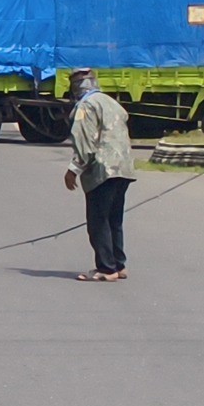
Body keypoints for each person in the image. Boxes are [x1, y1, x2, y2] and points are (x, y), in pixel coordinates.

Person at [64, 66, 135, 281]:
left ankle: (106, 268)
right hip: (124, 168)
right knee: (114, 219)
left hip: (103, 170)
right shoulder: (111, 102)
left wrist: (73, 170)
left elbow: (85, 142)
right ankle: (119, 264)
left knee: (98, 220)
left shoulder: (86, 106)